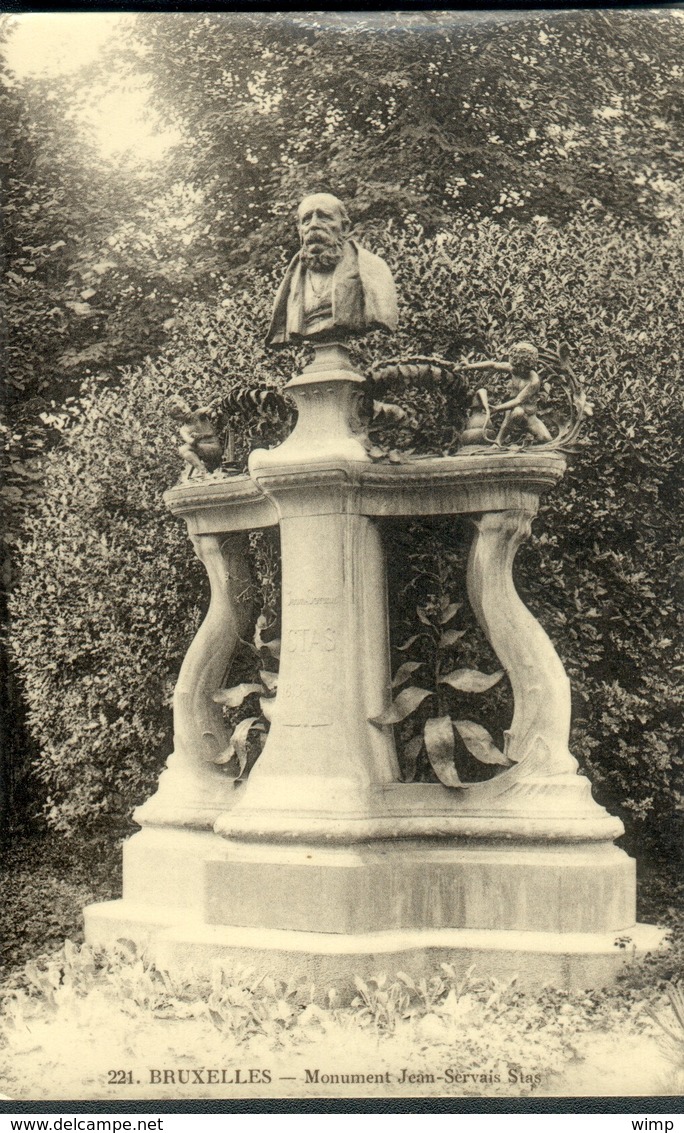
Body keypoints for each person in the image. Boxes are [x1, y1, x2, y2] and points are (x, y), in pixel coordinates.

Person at [266, 192, 398, 345]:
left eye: (324, 217)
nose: (314, 224)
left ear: (344, 227)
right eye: (306, 220)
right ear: (300, 230)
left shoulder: (372, 269)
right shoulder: (292, 279)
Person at [462, 342, 552, 446]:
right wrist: (469, 366)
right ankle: (498, 442)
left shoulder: (533, 381)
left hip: (529, 414)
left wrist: (496, 409)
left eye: (523, 367)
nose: (519, 370)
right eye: (516, 366)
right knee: (517, 412)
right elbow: (492, 365)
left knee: (546, 439)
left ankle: (515, 445)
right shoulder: (513, 368)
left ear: (529, 365)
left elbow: (518, 400)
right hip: (514, 410)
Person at [169, 399, 223, 479]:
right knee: (183, 450)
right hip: (204, 454)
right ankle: (204, 472)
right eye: (179, 412)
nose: (184, 411)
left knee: (183, 449)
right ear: (177, 419)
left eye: (184, 407)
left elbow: (208, 409)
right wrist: (196, 439)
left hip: (214, 448)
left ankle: (204, 472)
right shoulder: (184, 429)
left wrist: (213, 404)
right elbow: (190, 442)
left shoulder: (198, 414)